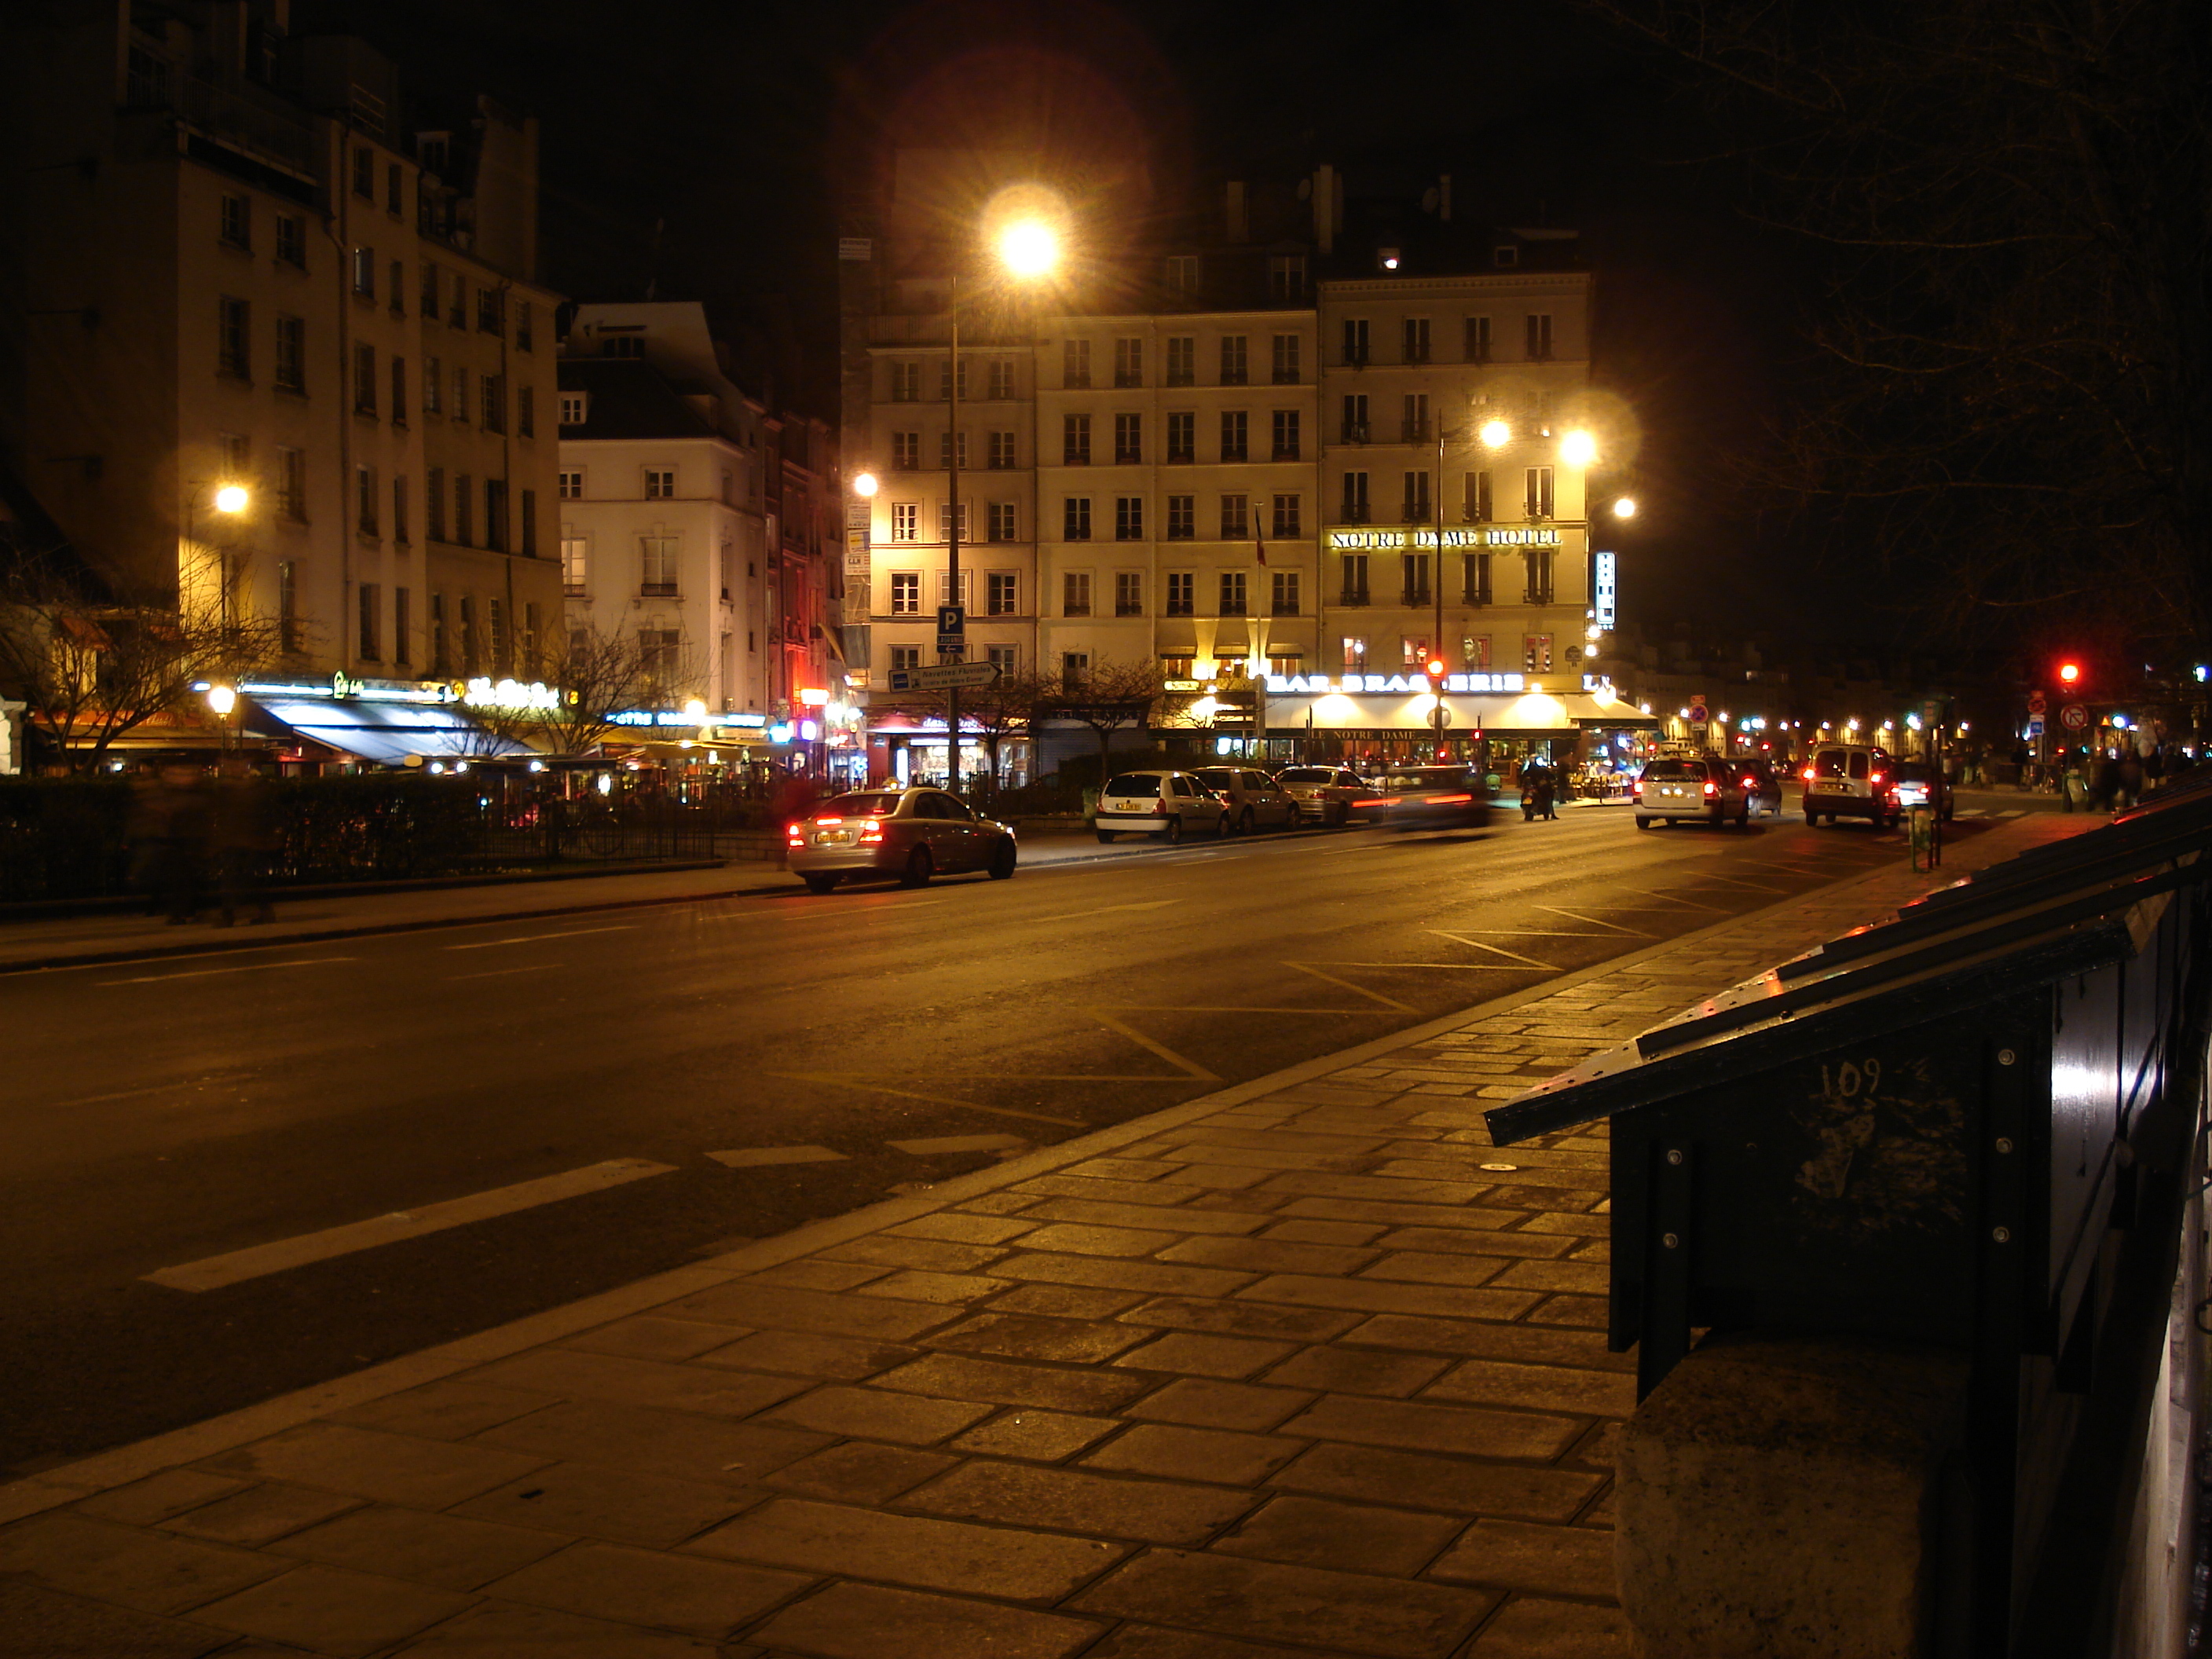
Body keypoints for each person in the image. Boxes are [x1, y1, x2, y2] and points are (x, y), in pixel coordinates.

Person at [210, 756, 276, 925]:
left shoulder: (232, 789)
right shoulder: (252, 788)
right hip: (243, 840)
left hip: (242, 840)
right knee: (244, 879)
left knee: (236, 879)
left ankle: (229, 915)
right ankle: (258, 911)